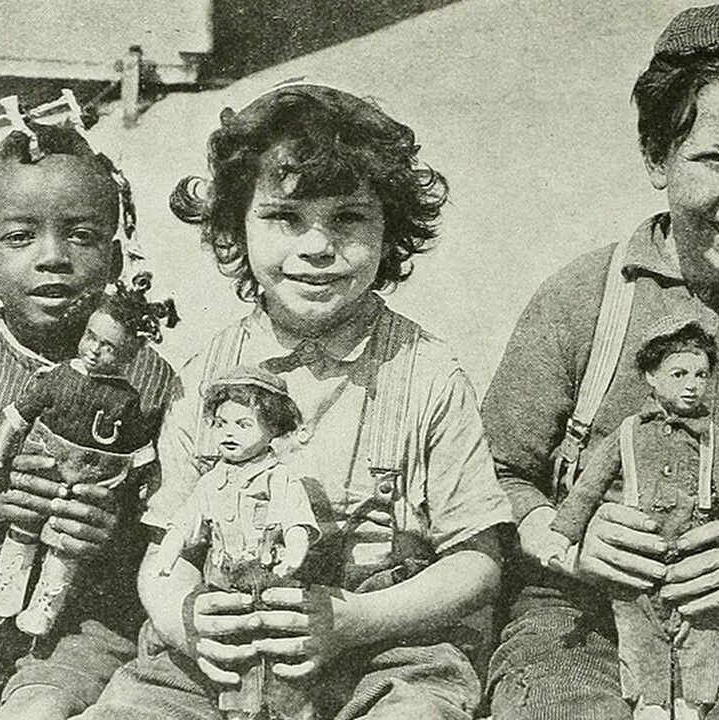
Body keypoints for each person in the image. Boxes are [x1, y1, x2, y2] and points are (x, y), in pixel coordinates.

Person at [76, 79, 514, 720]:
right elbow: (164, 553)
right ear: (235, 227)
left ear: (390, 229)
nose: (316, 246)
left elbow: (478, 562)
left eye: (348, 218)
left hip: (386, 644)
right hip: (223, 648)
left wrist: (359, 619)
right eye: (284, 218)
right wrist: (187, 623)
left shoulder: (428, 375)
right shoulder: (204, 377)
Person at [483, 4, 719, 718]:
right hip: (582, 607)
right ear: (657, 158)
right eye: (715, 159)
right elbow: (494, 473)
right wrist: (564, 539)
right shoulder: (585, 297)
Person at [0, 97, 176, 720]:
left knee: (42, 708)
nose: (53, 256)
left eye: (81, 235)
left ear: (115, 260)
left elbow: (166, 520)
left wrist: (110, 530)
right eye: (19, 237)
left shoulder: (151, 379)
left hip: (86, 611)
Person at [547, 317, 719, 720]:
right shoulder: (628, 432)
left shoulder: (713, 438)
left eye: (701, 375)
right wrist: (564, 534)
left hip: (695, 554)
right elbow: (588, 488)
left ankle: (692, 703)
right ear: (651, 376)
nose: (692, 385)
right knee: (637, 626)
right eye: (679, 374)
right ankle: (650, 702)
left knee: (703, 627)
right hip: (637, 554)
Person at [0, 272, 178, 638]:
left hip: (86, 481)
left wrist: (146, 482)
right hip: (44, 467)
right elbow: (17, 419)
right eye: (91, 336)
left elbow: (138, 449)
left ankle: (46, 603)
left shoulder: (126, 399)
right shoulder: (57, 377)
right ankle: (8, 586)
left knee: (65, 541)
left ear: (130, 355)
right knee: (23, 524)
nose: (94, 350)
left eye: (109, 347)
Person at [156, 365, 318, 720]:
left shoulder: (278, 477)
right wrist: (170, 548)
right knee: (233, 659)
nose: (229, 433)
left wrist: (295, 551)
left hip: (270, 580)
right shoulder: (212, 481)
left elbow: (296, 521)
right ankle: (238, 712)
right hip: (224, 583)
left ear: (273, 429)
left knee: (281, 662)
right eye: (221, 423)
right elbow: (187, 520)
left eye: (243, 425)